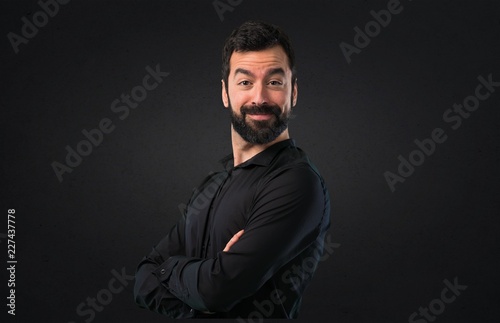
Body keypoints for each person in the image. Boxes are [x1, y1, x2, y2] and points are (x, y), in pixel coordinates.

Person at [134, 20, 331, 319]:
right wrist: (202, 284)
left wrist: (173, 270)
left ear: (294, 93)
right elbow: (143, 283)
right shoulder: (211, 185)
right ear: (225, 93)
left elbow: (215, 292)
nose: (259, 97)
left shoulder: (297, 183)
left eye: (275, 82)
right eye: (245, 82)